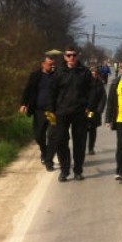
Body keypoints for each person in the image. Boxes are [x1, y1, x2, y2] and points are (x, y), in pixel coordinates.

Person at [47, 46, 93, 182]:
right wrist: (50, 112)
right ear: (64, 57)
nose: (71, 58)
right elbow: (51, 93)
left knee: (80, 142)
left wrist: (89, 108)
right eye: (69, 55)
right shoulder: (58, 72)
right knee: (60, 141)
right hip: (60, 113)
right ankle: (65, 170)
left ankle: (78, 171)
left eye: (74, 55)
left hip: (80, 113)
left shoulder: (84, 72)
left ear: (77, 56)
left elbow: (92, 91)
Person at [19, 55, 56, 171]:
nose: (52, 67)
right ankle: (44, 152)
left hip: (52, 112)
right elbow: (28, 90)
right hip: (38, 111)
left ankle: (49, 161)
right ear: (43, 64)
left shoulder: (56, 76)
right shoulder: (35, 76)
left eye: (53, 64)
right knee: (38, 135)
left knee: (52, 136)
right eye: (50, 64)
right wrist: (24, 104)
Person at [86, 67, 107, 155]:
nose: (93, 75)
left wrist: (99, 109)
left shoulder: (99, 84)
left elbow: (103, 98)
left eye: (95, 73)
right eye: (92, 73)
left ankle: (91, 148)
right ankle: (81, 147)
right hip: (84, 110)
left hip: (93, 111)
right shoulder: (84, 83)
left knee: (92, 129)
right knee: (83, 130)